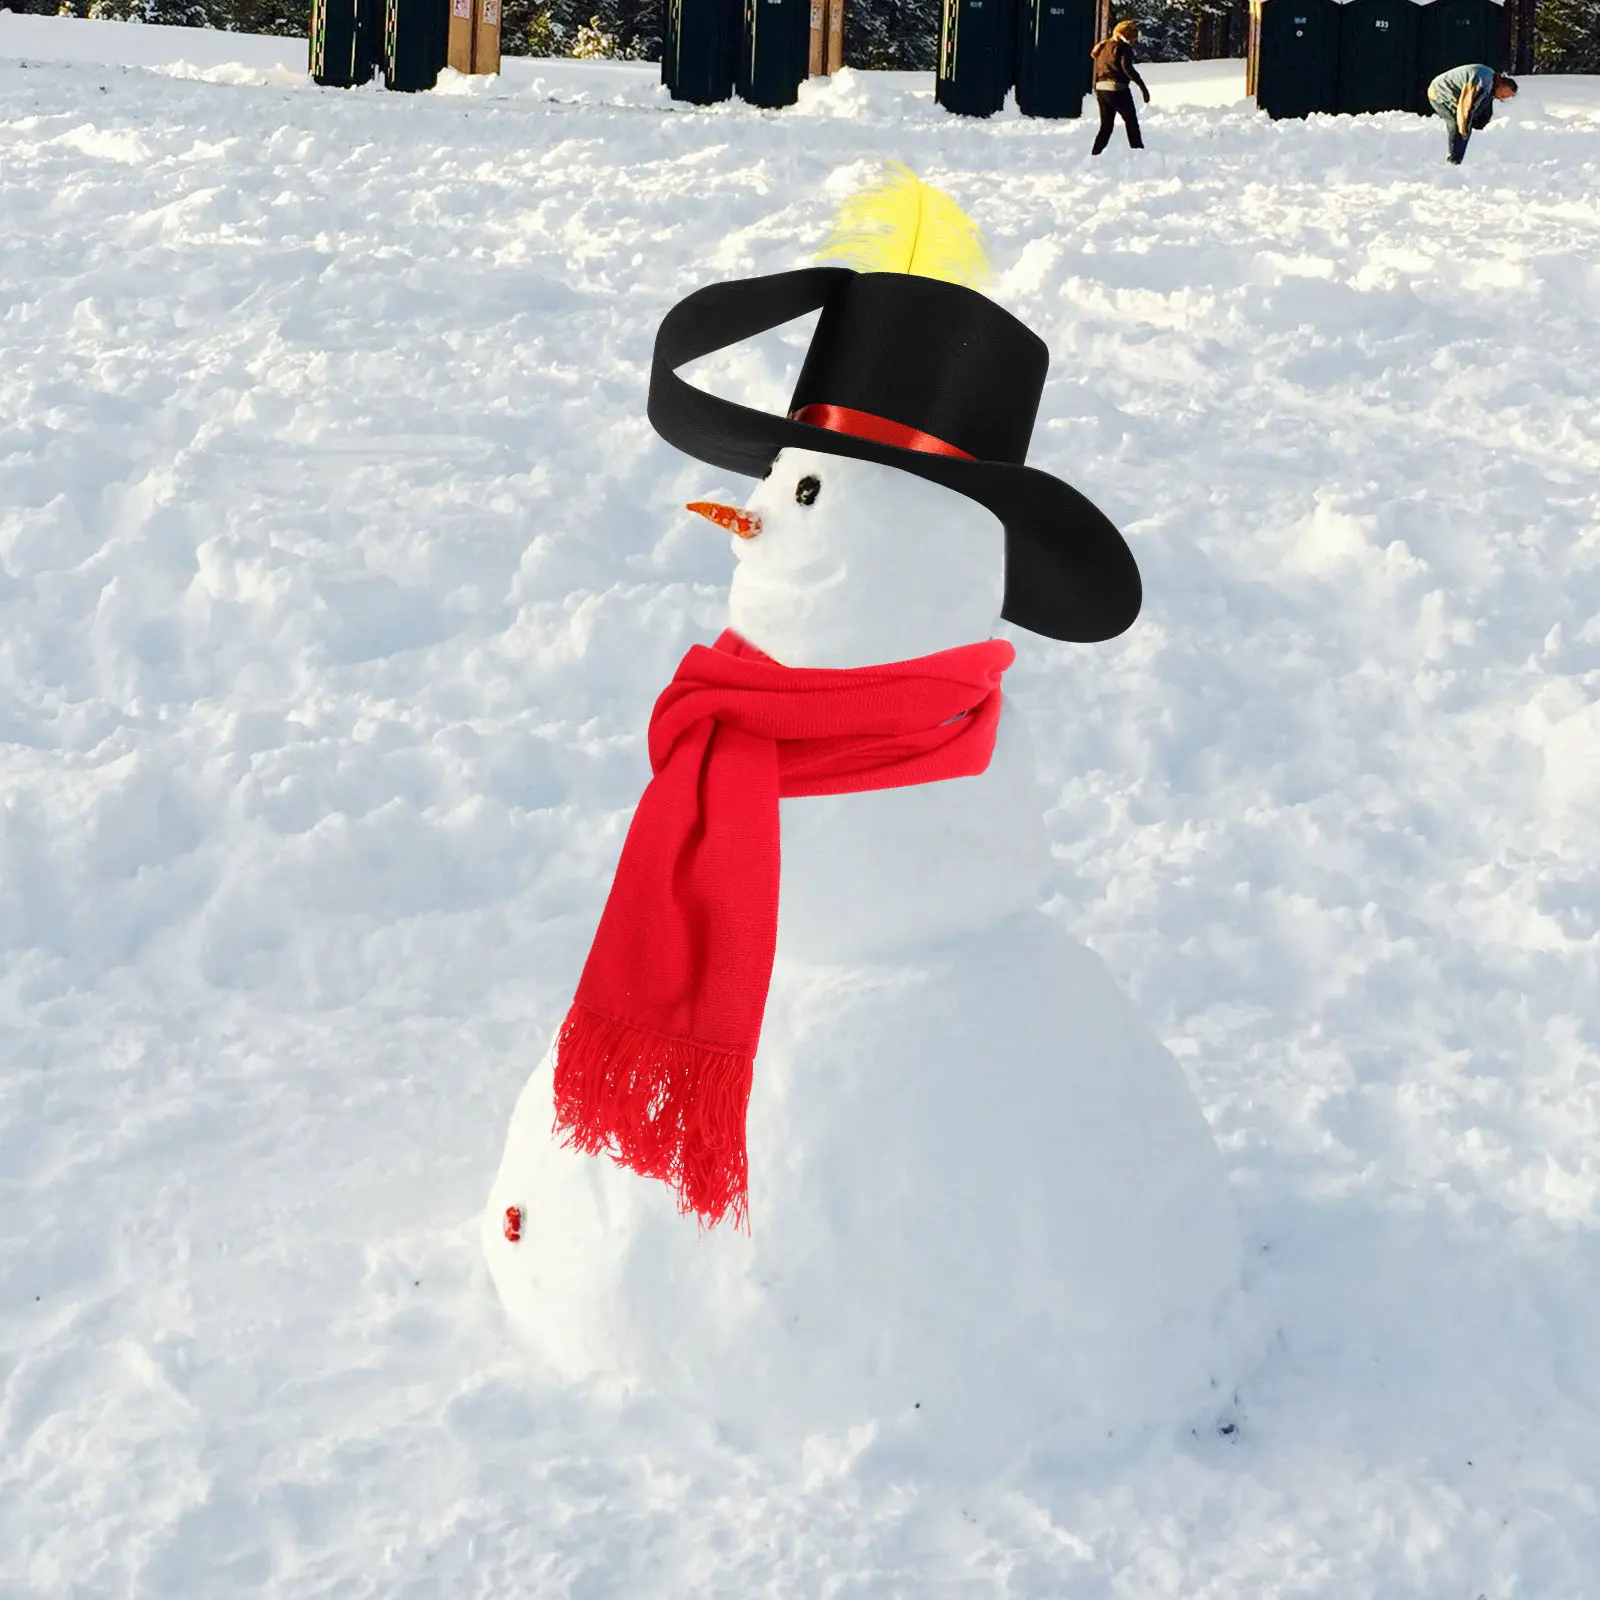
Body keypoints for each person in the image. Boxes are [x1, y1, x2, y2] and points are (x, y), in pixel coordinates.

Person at [1426, 64, 1518, 165]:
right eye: (1505, 95)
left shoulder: (1491, 83)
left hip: (1458, 94)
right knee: (1457, 124)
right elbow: (1465, 107)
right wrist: (1464, 130)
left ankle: (1457, 159)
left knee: (1470, 122)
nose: (1502, 99)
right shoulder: (1481, 82)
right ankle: (1452, 161)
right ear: (1503, 85)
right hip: (1439, 91)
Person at [1089, 20, 1150, 157]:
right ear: (1127, 35)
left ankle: (1095, 154)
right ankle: (1138, 151)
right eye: (1134, 37)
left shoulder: (1103, 46)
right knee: (1131, 122)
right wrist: (1142, 86)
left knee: (1106, 126)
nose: (1134, 41)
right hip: (1118, 89)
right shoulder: (1123, 48)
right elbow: (1127, 68)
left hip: (1101, 89)